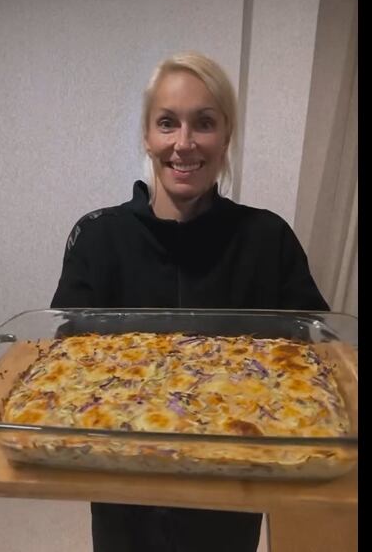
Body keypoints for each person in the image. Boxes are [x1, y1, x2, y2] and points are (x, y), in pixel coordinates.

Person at [48, 51, 329, 552]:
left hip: (232, 490)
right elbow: (61, 365)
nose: (183, 144)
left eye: (204, 123)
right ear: (146, 136)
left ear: (226, 138)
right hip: (121, 493)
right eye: (166, 123)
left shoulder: (268, 239)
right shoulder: (97, 237)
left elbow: (321, 351)